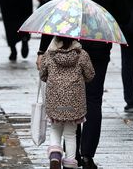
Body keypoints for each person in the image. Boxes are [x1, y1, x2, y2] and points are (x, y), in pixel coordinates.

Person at [36, 0, 119, 169]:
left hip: (67, 47)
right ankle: (86, 154)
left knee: (68, 94)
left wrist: (43, 50)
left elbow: (54, 16)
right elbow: (120, 15)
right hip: (98, 50)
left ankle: (67, 150)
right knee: (93, 99)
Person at [40, 37, 96, 169]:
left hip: (55, 100)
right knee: (71, 134)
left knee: (55, 129)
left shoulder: (49, 55)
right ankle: (70, 163)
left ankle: (54, 155)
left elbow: (43, 75)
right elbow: (90, 75)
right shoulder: (82, 55)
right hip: (74, 102)